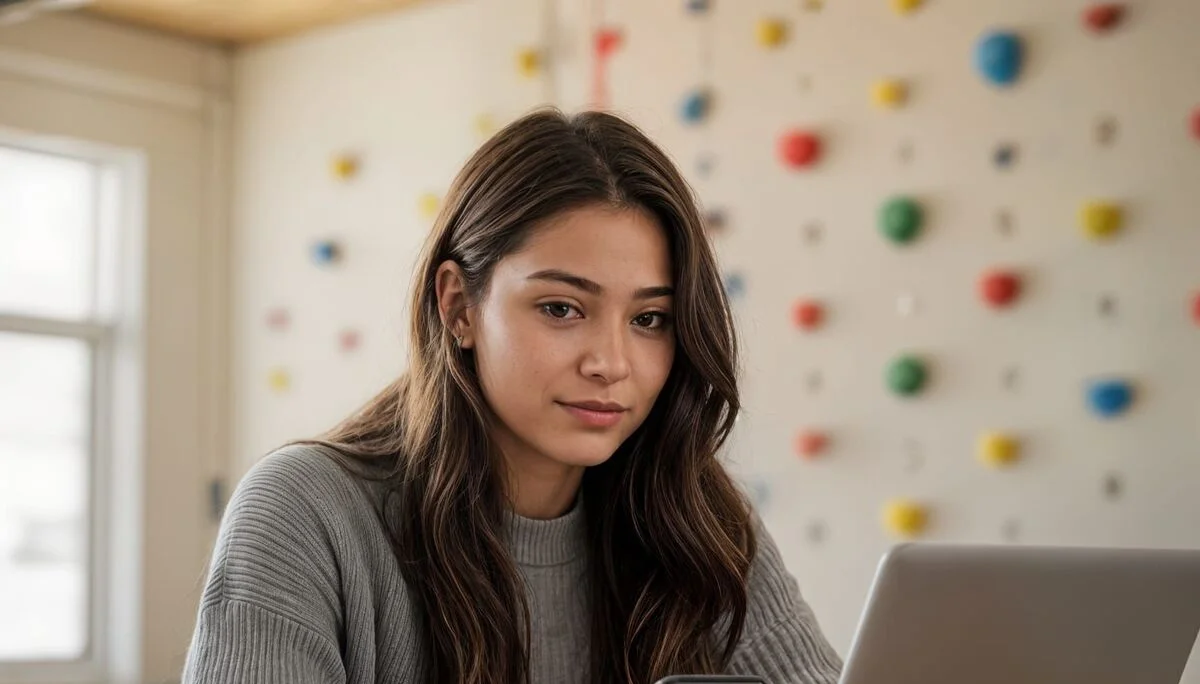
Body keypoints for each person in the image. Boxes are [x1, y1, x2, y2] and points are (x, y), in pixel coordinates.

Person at [182, 107, 842, 684]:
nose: (611, 363)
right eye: (561, 308)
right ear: (458, 305)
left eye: (649, 320)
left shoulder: (698, 520)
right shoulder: (306, 512)